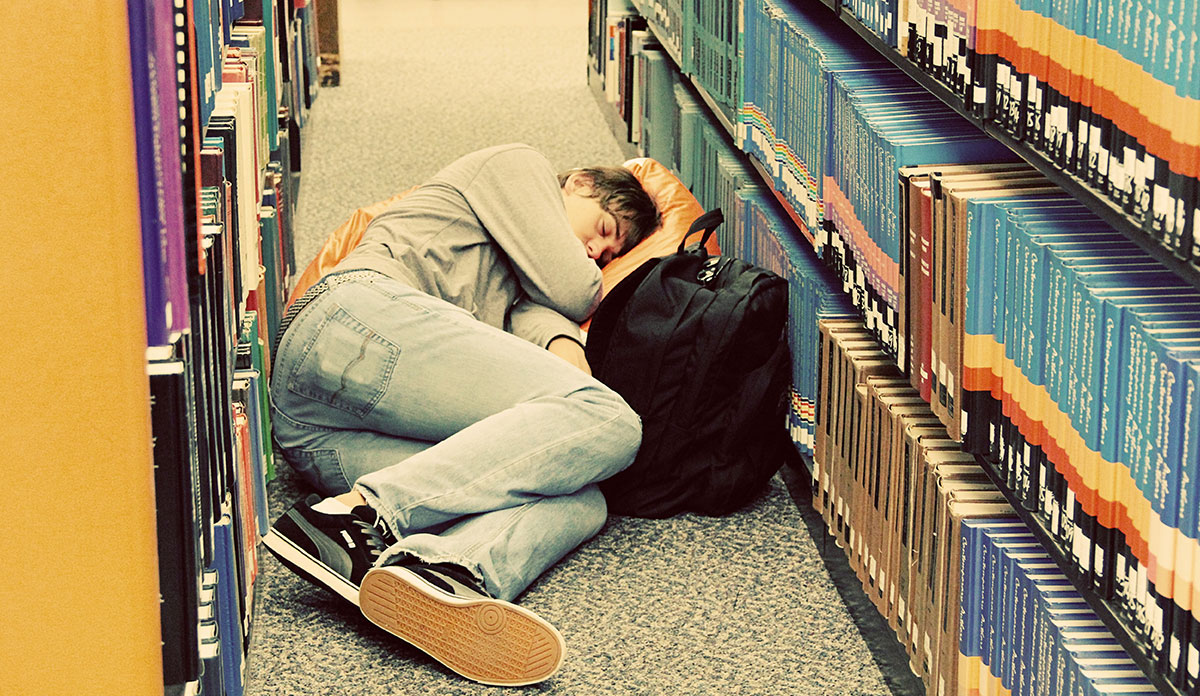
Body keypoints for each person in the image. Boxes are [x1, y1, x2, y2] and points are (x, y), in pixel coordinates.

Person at [262, 143, 661, 687]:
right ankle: (363, 514)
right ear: (581, 184)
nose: (595, 251)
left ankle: (444, 572)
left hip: (316, 435)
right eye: (603, 229)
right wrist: (578, 353)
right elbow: (574, 289)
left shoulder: (520, 284)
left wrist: (567, 350)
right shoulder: (519, 166)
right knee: (613, 421)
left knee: (583, 498)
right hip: (353, 323)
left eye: (611, 254)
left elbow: (548, 337)